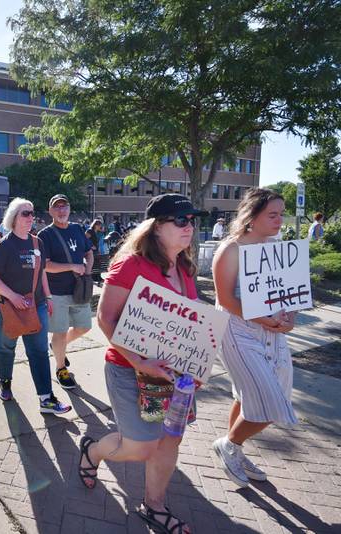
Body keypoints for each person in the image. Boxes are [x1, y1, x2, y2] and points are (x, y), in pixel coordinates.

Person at [77, 193, 205, 534]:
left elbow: (190, 326)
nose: (188, 226)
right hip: (127, 369)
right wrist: (139, 360)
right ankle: (93, 452)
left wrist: (196, 364)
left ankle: (155, 506)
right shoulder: (131, 264)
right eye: (180, 220)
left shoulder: (185, 267)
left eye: (192, 220)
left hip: (175, 376)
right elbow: (106, 318)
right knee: (140, 446)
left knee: (169, 441)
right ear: (155, 226)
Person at [211, 188, 296, 488]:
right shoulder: (231, 249)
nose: (279, 220)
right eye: (272, 214)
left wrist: (289, 321)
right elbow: (225, 300)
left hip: (273, 333)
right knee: (271, 404)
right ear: (252, 216)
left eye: (281, 214)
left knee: (249, 397)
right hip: (238, 332)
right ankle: (229, 444)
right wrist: (263, 318)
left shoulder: (277, 247)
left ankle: (235, 449)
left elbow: (289, 293)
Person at [0, 198, 72, 415]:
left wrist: (48, 297)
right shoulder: (6, 245)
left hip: (36, 305)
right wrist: (13, 297)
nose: (30, 217)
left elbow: (41, 272)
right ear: (14, 217)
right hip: (6, 306)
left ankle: (46, 399)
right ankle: (5, 381)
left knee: (39, 351)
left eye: (32, 213)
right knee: (6, 348)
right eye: (25, 213)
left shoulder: (37, 243)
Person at [38, 194, 93, 390]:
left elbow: (88, 252)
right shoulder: (45, 235)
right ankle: (61, 369)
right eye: (57, 207)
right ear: (51, 211)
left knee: (84, 327)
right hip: (57, 292)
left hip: (79, 290)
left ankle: (57, 347)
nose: (61, 210)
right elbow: (45, 265)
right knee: (59, 331)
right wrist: (71, 266)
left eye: (64, 206)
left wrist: (87, 270)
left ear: (69, 209)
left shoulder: (78, 229)